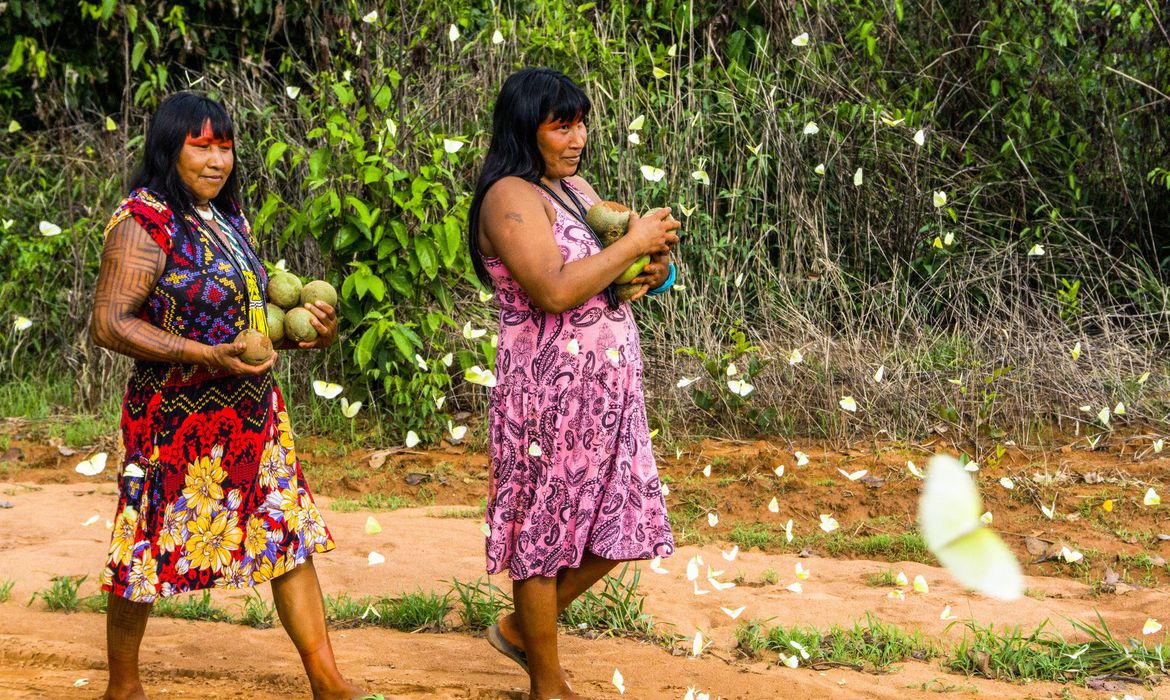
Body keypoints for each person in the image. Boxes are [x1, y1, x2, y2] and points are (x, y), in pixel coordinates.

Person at [89, 92, 363, 700]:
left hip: (250, 415)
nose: (217, 160)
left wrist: (306, 332)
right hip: (173, 421)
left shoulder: (225, 217)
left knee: (284, 534)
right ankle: (123, 687)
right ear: (170, 148)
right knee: (145, 547)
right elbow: (109, 323)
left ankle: (328, 682)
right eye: (201, 145)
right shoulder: (145, 219)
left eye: (225, 146)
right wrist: (205, 356)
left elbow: (247, 321)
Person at [468, 68, 679, 700]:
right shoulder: (509, 195)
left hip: (605, 391)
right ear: (524, 129)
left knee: (624, 522)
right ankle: (548, 685)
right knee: (546, 533)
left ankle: (518, 628)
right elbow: (554, 288)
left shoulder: (572, 188)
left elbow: (605, 274)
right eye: (561, 125)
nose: (577, 136)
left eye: (580, 122)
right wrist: (634, 239)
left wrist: (653, 267)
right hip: (548, 394)